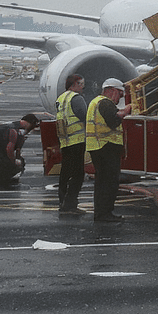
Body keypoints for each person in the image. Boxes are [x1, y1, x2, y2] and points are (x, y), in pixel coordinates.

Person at [85, 78, 131, 223]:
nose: (120, 99)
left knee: (102, 182)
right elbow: (112, 121)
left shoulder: (96, 102)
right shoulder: (105, 103)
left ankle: (101, 212)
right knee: (108, 182)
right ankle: (105, 213)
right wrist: (125, 113)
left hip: (98, 146)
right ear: (111, 91)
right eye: (119, 94)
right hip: (105, 146)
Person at [54, 74, 89, 215]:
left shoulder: (61, 99)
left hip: (65, 140)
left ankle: (63, 201)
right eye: (81, 84)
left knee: (65, 172)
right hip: (77, 140)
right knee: (78, 174)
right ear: (74, 84)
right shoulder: (76, 98)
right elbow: (85, 115)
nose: (83, 87)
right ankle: (70, 205)